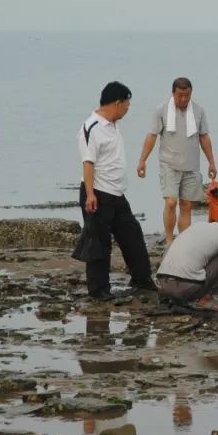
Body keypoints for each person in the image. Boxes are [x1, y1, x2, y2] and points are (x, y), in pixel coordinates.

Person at [72, 81, 155, 300]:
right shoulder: (91, 128)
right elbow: (88, 163)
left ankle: (142, 280)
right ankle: (99, 291)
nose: (128, 109)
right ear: (117, 103)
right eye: (127, 104)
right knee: (99, 244)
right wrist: (90, 195)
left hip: (117, 194)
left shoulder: (112, 124)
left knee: (132, 235)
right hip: (97, 193)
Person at [137, 77, 217, 245]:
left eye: (187, 95)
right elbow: (152, 135)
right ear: (173, 93)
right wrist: (142, 160)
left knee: (187, 206)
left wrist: (211, 162)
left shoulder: (199, 111)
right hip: (169, 164)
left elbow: (204, 137)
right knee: (171, 202)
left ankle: (184, 243)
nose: (183, 99)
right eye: (180, 95)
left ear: (191, 93)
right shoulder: (161, 110)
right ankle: (169, 240)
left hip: (192, 166)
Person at [155, 211, 218, 307]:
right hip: (185, 290)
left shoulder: (197, 226)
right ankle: (206, 298)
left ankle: (168, 297)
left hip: (162, 285)